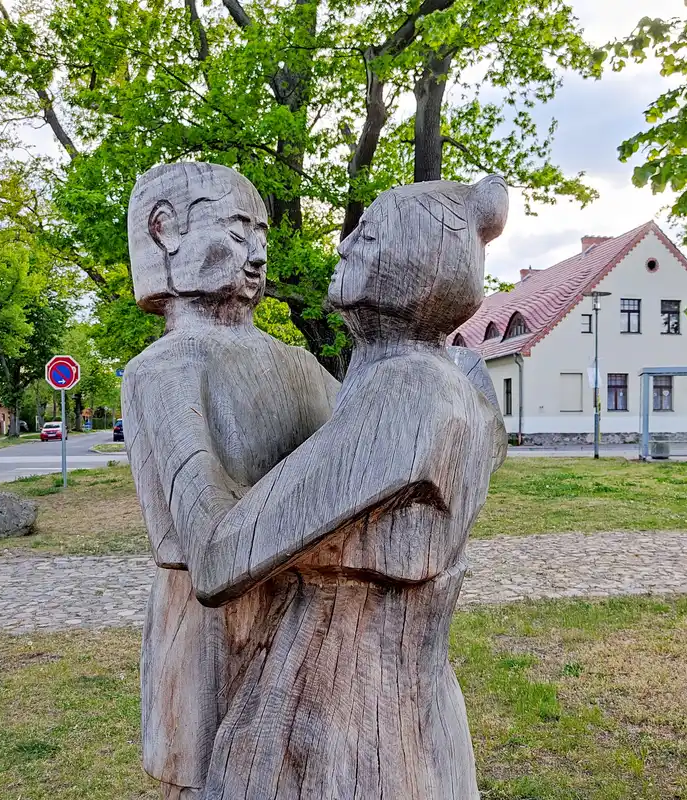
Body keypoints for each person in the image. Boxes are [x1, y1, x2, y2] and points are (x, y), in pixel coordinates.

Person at [171, 176, 510, 799]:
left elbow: (221, 558)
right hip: (398, 703)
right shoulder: (451, 376)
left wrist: (176, 419)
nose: (346, 244)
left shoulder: (406, 393)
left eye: (370, 235)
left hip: (338, 716)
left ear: (419, 264)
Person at [122, 162, 340, 800]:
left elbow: (366, 440)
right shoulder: (165, 368)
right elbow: (205, 537)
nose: (259, 251)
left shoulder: (296, 363)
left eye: (263, 232)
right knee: (210, 776)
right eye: (238, 229)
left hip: (299, 614)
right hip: (206, 630)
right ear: (165, 232)